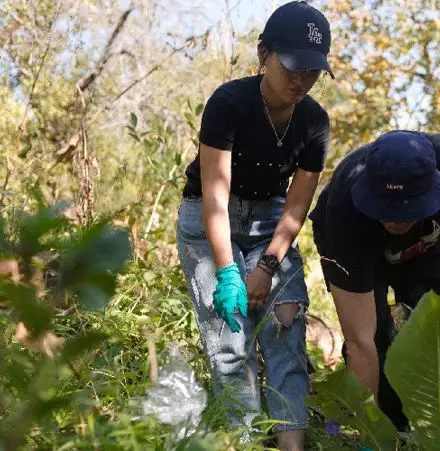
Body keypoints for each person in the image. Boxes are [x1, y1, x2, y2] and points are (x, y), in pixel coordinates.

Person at [175, 2, 333, 449]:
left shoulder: (314, 122)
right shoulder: (229, 103)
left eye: (313, 70)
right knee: (230, 340)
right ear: (264, 53)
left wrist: (266, 266)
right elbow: (215, 196)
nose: (301, 79)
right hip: (209, 224)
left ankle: (291, 445)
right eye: (292, 66)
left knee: (286, 325)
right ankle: (242, 442)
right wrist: (228, 274)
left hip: (271, 222)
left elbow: (297, 204)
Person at [309, 130, 440, 430]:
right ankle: (390, 426)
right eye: (387, 209)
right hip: (359, 247)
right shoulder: (344, 211)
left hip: (422, 245)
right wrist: (372, 435)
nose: (396, 220)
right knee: (374, 337)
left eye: (407, 210)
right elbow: (361, 342)